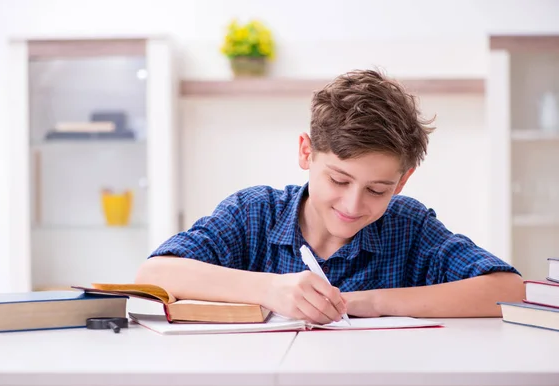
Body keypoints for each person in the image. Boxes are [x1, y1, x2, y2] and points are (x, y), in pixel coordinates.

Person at [135, 69, 524, 325]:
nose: (353, 206)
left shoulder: (409, 226)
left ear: (402, 181)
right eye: (339, 180)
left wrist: (370, 303)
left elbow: (509, 290)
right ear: (307, 153)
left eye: (377, 190)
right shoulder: (254, 213)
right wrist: (270, 289)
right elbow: (153, 274)